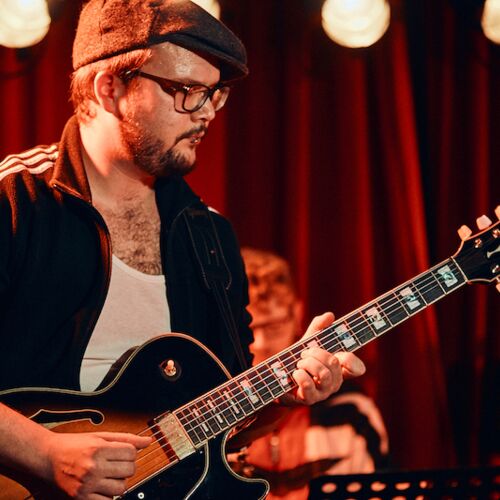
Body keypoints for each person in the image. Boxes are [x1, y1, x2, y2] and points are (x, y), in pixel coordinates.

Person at [0, 1, 367, 498]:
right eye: (188, 91)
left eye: (215, 95)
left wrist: (287, 396)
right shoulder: (16, 201)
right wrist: (44, 454)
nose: (207, 113)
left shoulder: (209, 235)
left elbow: (223, 426)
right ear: (110, 88)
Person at [230, 248, 389, 499]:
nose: (260, 344)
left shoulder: (352, 409)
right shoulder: (216, 412)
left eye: (273, 327)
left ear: (297, 314)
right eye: (250, 330)